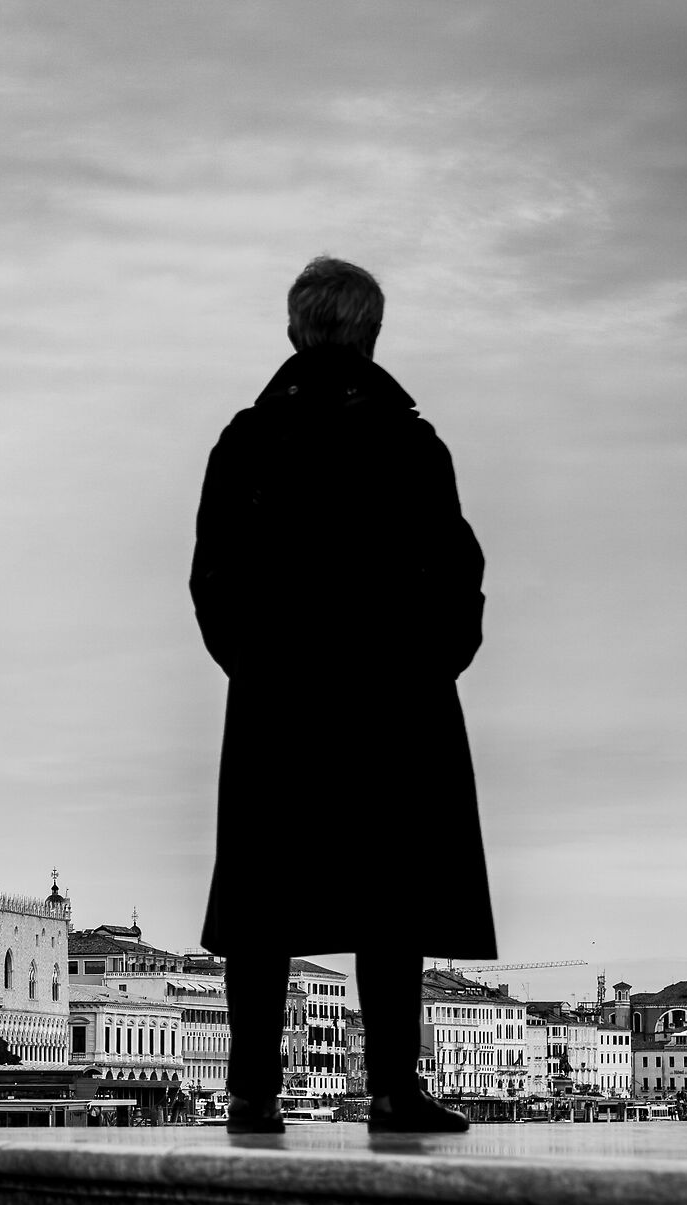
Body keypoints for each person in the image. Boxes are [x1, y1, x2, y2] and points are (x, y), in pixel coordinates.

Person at [191, 256, 490, 1137]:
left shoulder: (249, 441)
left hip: (277, 694)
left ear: (294, 330)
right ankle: (393, 1088)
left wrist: (253, 665)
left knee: (263, 890)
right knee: (391, 885)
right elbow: (459, 571)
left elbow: (212, 579)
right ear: (373, 334)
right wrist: (434, 665)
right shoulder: (411, 443)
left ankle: (252, 1092)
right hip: (396, 694)